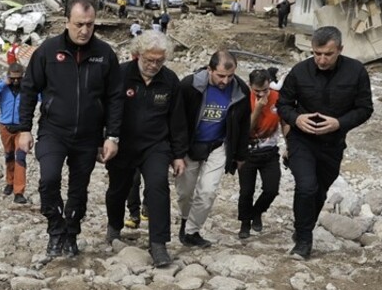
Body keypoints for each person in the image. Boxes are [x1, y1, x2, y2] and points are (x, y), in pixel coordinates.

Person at [11, 0, 123, 259]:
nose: (85, 30)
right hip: (53, 131)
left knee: (78, 190)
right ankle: (55, 229)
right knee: (48, 180)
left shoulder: (105, 55)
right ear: (67, 22)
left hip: (88, 135)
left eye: (90, 24)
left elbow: (115, 98)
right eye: (79, 24)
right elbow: (28, 89)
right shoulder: (48, 52)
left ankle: (71, 233)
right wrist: (24, 129)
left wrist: (113, 136)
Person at [277, 25, 373, 259]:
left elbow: (365, 109)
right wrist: (297, 119)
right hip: (301, 141)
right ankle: (303, 240)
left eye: (327, 54)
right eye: (316, 53)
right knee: (306, 186)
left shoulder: (356, 71)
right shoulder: (299, 72)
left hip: (333, 143)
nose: (321, 59)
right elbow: (283, 105)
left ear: (340, 49)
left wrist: (339, 123)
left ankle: (303, 227)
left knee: (319, 192)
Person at [103, 31, 187, 268]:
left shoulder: (170, 80)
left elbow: (177, 120)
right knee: (117, 189)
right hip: (122, 144)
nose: (153, 65)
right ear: (137, 54)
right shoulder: (119, 75)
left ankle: (158, 244)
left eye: (159, 61)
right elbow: (105, 111)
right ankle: (114, 227)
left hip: (155, 145)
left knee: (158, 187)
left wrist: (178, 154)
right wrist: (104, 140)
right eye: (149, 60)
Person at [175, 50, 250, 247]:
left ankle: (191, 231)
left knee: (207, 192)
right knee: (185, 192)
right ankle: (185, 219)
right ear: (209, 69)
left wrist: (241, 155)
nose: (225, 81)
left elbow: (243, 125)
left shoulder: (241, 91)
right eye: (221, 76)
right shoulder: (189, 86)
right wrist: (176, 152)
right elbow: (176, 120)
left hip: (217, 146)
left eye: (230, 76)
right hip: (189, 146)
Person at [237, 67, 283, 239]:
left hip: (269, 150)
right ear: (250, 86)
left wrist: (290, 145)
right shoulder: (243, 99)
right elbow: (245, 131)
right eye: (257, 91)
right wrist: (257, 109)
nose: (262, 94)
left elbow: (284, 121)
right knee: (246, 191)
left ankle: (257, 212)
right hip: (248, 151)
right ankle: (244, 223)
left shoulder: (277, 98)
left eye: (265, 90)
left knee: (272, 189)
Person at [0, 62, 30, 204]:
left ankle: (19, 191)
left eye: (19, 78)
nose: (16, 81)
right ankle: (9, 182)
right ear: (9, 76)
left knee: (20, 158)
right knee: (9, 156)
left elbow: (41, 97)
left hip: (22, 129)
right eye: (13, 78)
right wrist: (2, 84)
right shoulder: (3, 88)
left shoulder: (27, 89)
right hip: (5, 127)